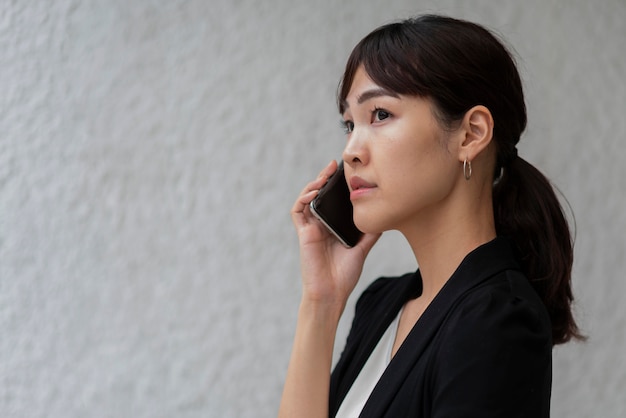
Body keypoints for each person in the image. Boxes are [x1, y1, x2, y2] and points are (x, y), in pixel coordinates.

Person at [279, 14, 583, 417]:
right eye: (349, 124)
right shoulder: (381, 303)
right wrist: (321, 300)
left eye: (380, 115)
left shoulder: (497, 321)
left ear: (471, 134)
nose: (351, 149)